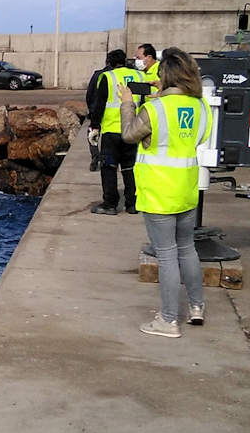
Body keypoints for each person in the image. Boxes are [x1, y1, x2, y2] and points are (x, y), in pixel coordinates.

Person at [115, 47, 211, 338]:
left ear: (166, 75)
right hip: (186, 189)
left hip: (158, 191)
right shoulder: (201, 106)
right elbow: (198, 137)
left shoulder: (155, 109)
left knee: (167, 255)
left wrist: (128, 104)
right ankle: (196, 307)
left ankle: (168, 321)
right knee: (187, 249)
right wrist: (164, 94)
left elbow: (129, 134)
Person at [89, 50, 146, 215]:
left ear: (109, 62)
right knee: (130, 168)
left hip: (111, 131)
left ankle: (110, 204)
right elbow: (145, 102)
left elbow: (99, 104)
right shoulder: (139, 76)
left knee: (109, 167)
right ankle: (132, 204)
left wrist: (94, 126)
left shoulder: (107, 77)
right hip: (133, 130)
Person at [83, 51, 123, 173]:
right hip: (117, 115)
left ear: (107, 62)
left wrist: (91, 109)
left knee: (92, 135)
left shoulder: (99, 75)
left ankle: (95, 155)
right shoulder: (123, 75)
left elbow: (89, 94)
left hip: (98, 111)